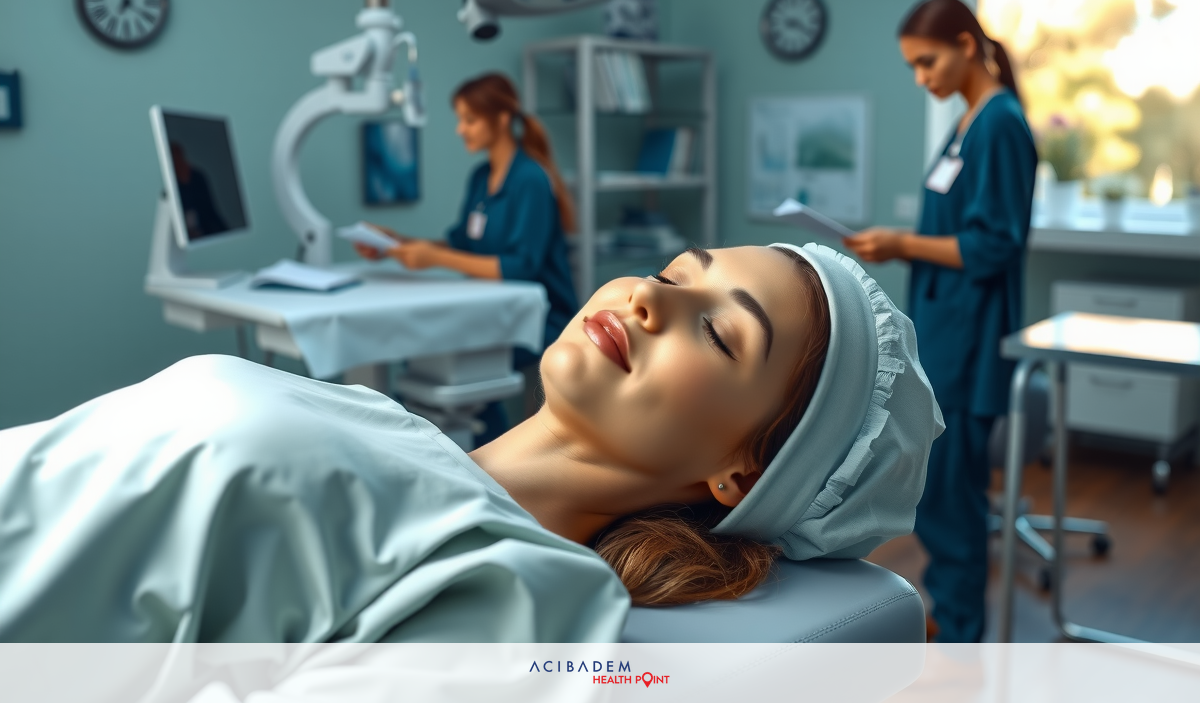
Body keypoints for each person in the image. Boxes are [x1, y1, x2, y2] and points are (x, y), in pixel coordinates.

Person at [0, 243, 942, 641]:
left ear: (744, 471)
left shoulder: (525, 594)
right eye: (671, 271)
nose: (646, 298)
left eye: (717, 331)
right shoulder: (399, 434)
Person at [843, 0, 1038, 642]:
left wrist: (899, 243)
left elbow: (992, 244)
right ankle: (951, 617)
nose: (922, 78)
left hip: (969, 336)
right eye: (912, 68)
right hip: (944, 329)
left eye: (927, 62)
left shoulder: (1000, 124)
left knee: (951, 495)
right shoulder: (967, 124)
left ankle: (960, 641)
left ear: (965, 43)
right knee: (940, 488)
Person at [355, 73, 577, 441]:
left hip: (540, 319)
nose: (460, 130)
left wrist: (435, 259)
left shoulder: (530, 181)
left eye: (469, 120)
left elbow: (521, 267)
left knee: (451, 364)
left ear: (501, 119)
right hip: (492, 311)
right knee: (428, 358)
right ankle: (454, 454)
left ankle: (488, 465)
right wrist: (396, 243)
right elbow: (461, 244)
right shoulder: (481, 177)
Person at [170, 141, 228, 239]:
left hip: (205, 231)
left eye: (178, 156)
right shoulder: (171, 182)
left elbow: (210, 209)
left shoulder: (197, 176)